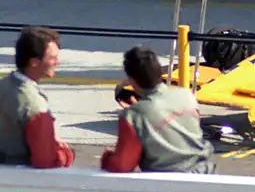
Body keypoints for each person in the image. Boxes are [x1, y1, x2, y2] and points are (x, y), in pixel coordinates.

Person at [101, 46, 216, 174]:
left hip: (169, 180)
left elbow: (123, 165)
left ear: (132, 81)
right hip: (205, 172)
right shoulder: (187, 96)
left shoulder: (134, 115)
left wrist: (107, 158)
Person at [0, 26, 74, 168]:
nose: (58, 62)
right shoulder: (34, 105)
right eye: (52, 58)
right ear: (34, 62)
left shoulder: (4, 85)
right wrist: (65, 153)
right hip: (17, 176)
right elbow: (45, 160)